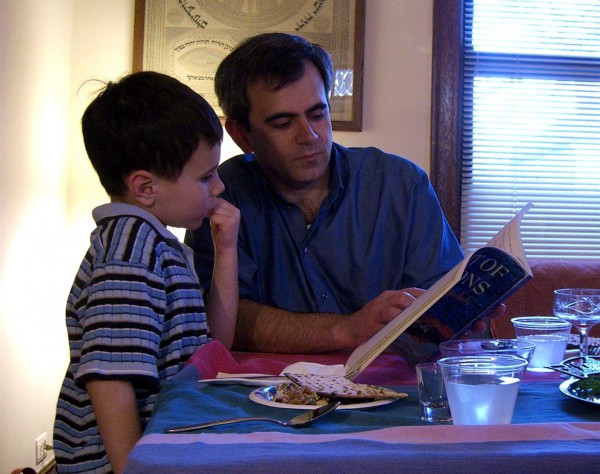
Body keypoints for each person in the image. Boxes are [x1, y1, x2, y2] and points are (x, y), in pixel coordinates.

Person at [185, 32, 465, 356]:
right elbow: (222, 321)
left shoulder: (401, 185)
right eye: (283, 123)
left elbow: (438, 302)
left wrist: (463, 315)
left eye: (318, 114)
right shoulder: (219, 195)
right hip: (266, 398)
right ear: (240, 134)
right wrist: (346, 329)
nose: (309, 135)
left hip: (391, 394)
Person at [53, 71, 240, 474]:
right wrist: (131, 468)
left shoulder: (155, 246)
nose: (219, 187)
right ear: (145, 188)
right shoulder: (130, 255)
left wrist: (226, 252)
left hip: (163, 450)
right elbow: (110, 380)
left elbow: (213, 351)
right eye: (206, 176)